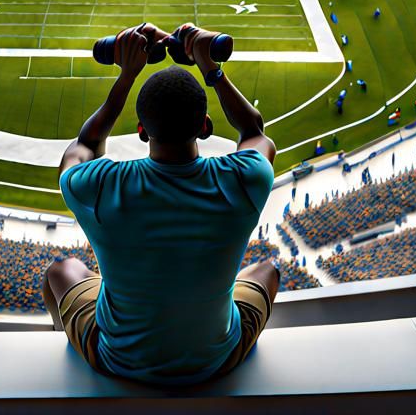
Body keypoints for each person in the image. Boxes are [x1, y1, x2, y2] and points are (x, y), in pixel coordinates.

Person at [44, 24, 279, 386]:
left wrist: (127, 75)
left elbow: (83, 146)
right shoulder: (243, 179)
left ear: (141, 131)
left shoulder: (104, 186)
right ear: (205, 127)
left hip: (117, 360)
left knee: (62, 270)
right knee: (266, 271)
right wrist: (211, 69)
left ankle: (62, 334)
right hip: (216, 360)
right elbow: (254, 132)